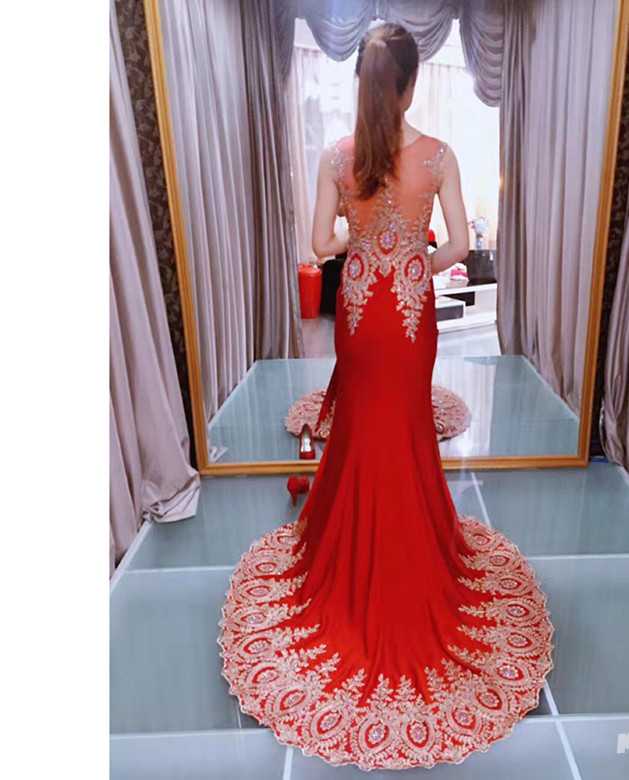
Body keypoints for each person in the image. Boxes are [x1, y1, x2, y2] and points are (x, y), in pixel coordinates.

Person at [219, 23, 553, 771]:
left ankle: (351, 558)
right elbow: (459, 246)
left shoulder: (338, 157)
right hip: (407, 314)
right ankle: (408, 555)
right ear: (410, 84)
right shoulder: (438, 156)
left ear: (364, 85)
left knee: (363, 433)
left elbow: (318, 245)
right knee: (404, 433)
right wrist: (413, 255)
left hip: (360, 314)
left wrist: (361, 238)